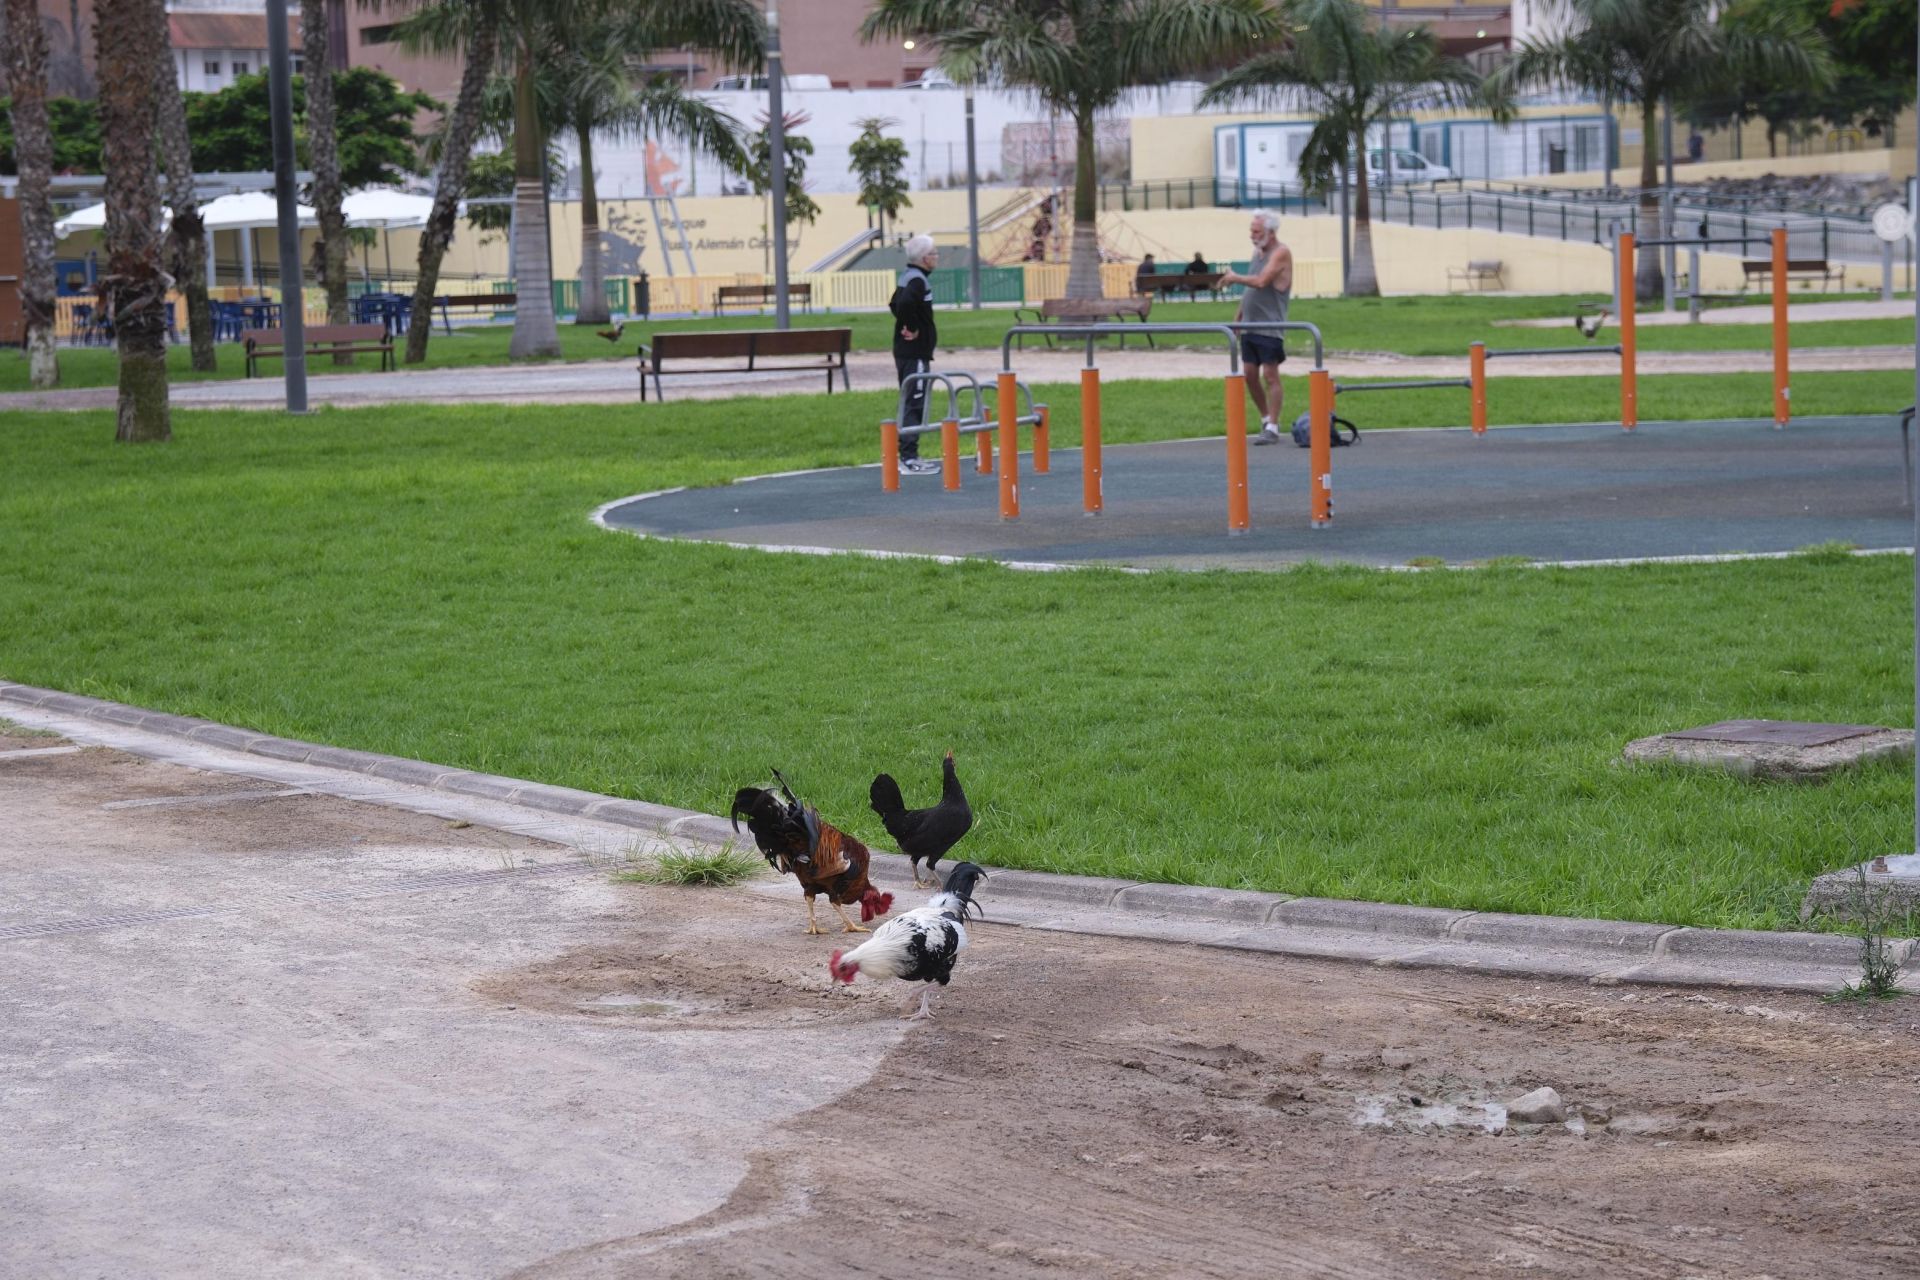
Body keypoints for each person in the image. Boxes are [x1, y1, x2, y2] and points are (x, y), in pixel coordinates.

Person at [1217, 211, 1293, 444]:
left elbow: (1261, 281)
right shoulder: (1257, 253)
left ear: (1271, 232)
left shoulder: (1280, 253)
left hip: (1269, 326)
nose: (1252, 235)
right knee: (1249, 375)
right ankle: (1265, 418)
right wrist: (1239, 317)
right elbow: (1251, 288)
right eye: (1251, 231)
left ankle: (1273, 426)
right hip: (1251, 324)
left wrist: (1234, 278)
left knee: (1270, 375)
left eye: (1256, 231)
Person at [891, 235, 941, 474]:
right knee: (915, 401)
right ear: (924, 258)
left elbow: (894, 303)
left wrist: (907, 323)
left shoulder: (909, 276)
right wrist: (912, 327)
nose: (937, 257)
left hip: (908, 352)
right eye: (934, 253)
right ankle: (909, 458)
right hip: (914, 353)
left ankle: (907, 455)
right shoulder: (917, 281)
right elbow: (902, 305)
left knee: (911, 399)